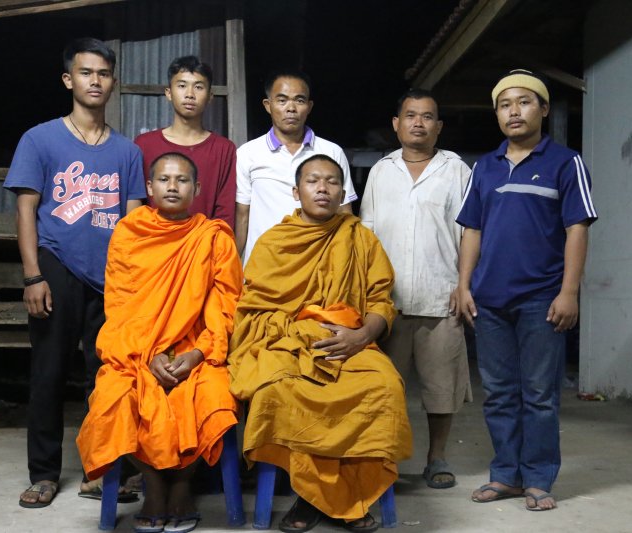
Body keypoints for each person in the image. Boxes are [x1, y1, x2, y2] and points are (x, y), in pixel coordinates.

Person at [228, 154, 413, 533]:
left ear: (343, 193)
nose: (323, 188)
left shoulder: (360, 238)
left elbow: (381, 302)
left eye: (332, 181)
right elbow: (254, 310)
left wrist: (362, 336)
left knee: (384, 386)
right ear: (297, 192)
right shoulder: (274, 241)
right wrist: (302, 332)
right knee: (276, 390)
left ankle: (324, 497)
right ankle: (325, 498)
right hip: (290, 344)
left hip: (352, 345)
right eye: (313, 181)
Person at [4, 37, 146, 509]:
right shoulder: (40, 139)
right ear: (69, 80)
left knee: (106, 377)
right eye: (86, 73)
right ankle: (44, 475)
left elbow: (133, 222)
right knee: (48, 373)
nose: (95, 81)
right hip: (56, 265)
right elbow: (26, 211)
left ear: (113, 82)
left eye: (103, 73)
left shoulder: (127, 152)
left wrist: (132, 284)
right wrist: (32, 276)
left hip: (112, 277)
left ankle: (99, 471)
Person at [76, 152, 242, 533]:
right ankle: (153, 486)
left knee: (214, 395)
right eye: (164, 179)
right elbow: (119, 306)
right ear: (149, 187)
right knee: (114, 397)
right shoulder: (130, 233)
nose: (172, 186)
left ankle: (181, 486)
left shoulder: (213, 238)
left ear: (197, 188)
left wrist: (198, 353)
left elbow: (226, 307)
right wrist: (147, 355)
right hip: (136, 347)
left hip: (197, 349)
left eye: (182, 180)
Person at [455, 69, 598, 511]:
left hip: (542, 299)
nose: (514, 111)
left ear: (544, 109)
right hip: (489, 301)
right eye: (504, 104)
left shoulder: (565, 163)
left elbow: (577, 229)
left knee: (539, 395)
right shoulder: (485, 167)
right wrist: (464, 286)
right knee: (499, 394)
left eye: (524, 102)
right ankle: (505, 475)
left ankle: (537, 478)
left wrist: (569, 292)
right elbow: (472, 230)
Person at [360, 88, 472, 490]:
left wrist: (464, 285)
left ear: (438, 126)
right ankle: (385, 461)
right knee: (383, 389)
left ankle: (436, 457)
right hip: (386, 302)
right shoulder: (381, 171)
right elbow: (366, 235)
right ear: (396, 124)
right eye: (410, 115)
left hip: (440, 295)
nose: (418, 123)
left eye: (427, 117)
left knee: (442, 388)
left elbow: (470, 232)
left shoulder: (456, 170)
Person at [234, 70, 357, 264]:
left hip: (318, 262)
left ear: (309, 107)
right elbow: (242, 216)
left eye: (299, 100)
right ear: (268, 105)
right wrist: (232, 267)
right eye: (282, 100)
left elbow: (344, 212)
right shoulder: (248, 153)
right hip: (264, 264)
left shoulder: (331, 152)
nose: (291, 108)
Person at [135, 55, 236, 229]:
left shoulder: (224, 149)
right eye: (182, 86)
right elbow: (137, 207)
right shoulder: (144, 144)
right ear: (168, 93)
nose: (190, 94)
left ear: (210, 96)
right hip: (152, 241)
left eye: (198, 87)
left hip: (204, 243)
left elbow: (225, 215)